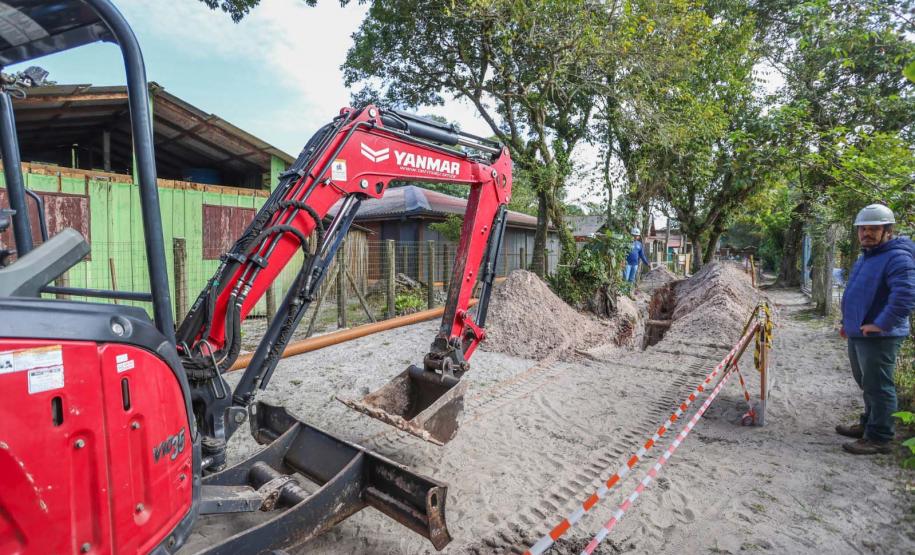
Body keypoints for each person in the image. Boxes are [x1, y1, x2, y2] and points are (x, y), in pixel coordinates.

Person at [836, 204, 915, 455]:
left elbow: (905, 296)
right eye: (863, 229)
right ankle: (869, 423)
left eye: (873, 229)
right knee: (866, 382)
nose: (866, 233)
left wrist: (881, 324)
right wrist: (846, 324)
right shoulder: (867, 256)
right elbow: (858, 294)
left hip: (880, 336)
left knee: (879, 385)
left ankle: (879, 437)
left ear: (887, 231)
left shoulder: (897, 257)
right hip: (859, 333)